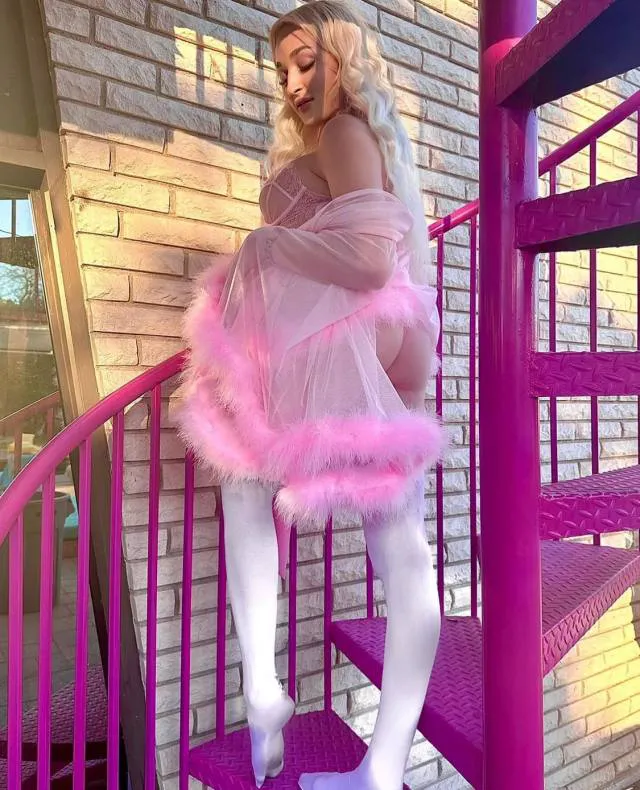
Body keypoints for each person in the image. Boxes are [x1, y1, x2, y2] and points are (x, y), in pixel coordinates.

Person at [176, 2, 446, 788]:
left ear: (344, 56)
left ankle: (287, 706)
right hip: (349, 341)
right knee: (265, 490)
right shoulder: (343, 138)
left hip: (348, 340)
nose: (294, 83)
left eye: (308, 62)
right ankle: (295, 713)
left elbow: (368, 262)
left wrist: (266, 243)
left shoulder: (344, 132)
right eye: (284, 69)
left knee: (390, 544)